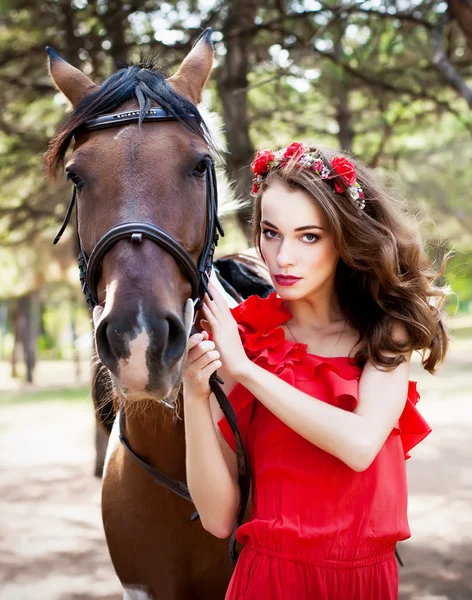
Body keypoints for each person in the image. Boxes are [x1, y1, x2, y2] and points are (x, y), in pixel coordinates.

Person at [182, 141, 449, 599]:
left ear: (345, 237)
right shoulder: (242, 337)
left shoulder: (385, 330)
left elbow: (361, 444)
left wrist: (246, 371)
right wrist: (195, 396)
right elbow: (218, 517)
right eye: (270, 232)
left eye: (309, 236)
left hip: (365, 582)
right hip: (267, 580)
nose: (283, 257)